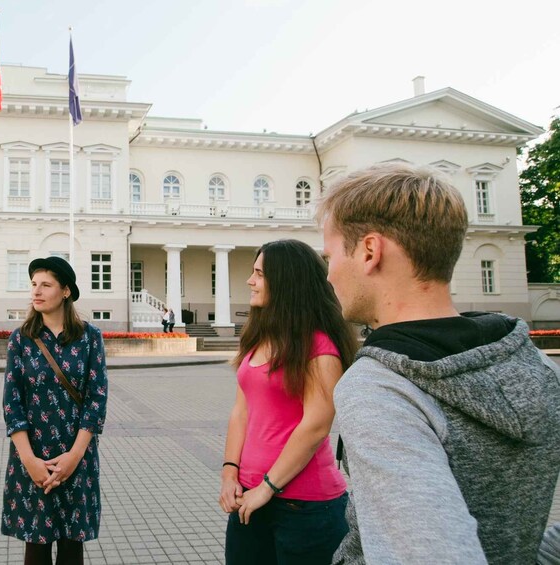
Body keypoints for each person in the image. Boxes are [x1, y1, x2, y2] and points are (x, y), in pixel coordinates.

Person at [317, 163, 560, 564]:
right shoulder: (535, 365)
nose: (329, 275)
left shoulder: (380, 389)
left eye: (330, 256)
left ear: (369, 252)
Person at [218, 239, 357, 564]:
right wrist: (229, 473)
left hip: (305, 507)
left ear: (286, 282)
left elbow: (317, 425)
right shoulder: (258, 340)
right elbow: (241, 412)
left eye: (259, 274)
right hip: (249, 499)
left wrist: (267, 487)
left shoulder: (319, 347)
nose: (250, 281)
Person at [1, 255, 108, 565]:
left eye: (45, 285)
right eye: (34, 284)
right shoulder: (21, 339)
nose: (36, 291)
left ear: (65, 292)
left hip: (76, 457)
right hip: (33, 458)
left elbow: (96, 400)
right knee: (35, 548)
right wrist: (29, 460)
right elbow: (12, 402)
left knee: (72, 547)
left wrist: (74, 457)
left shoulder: (90, 338)